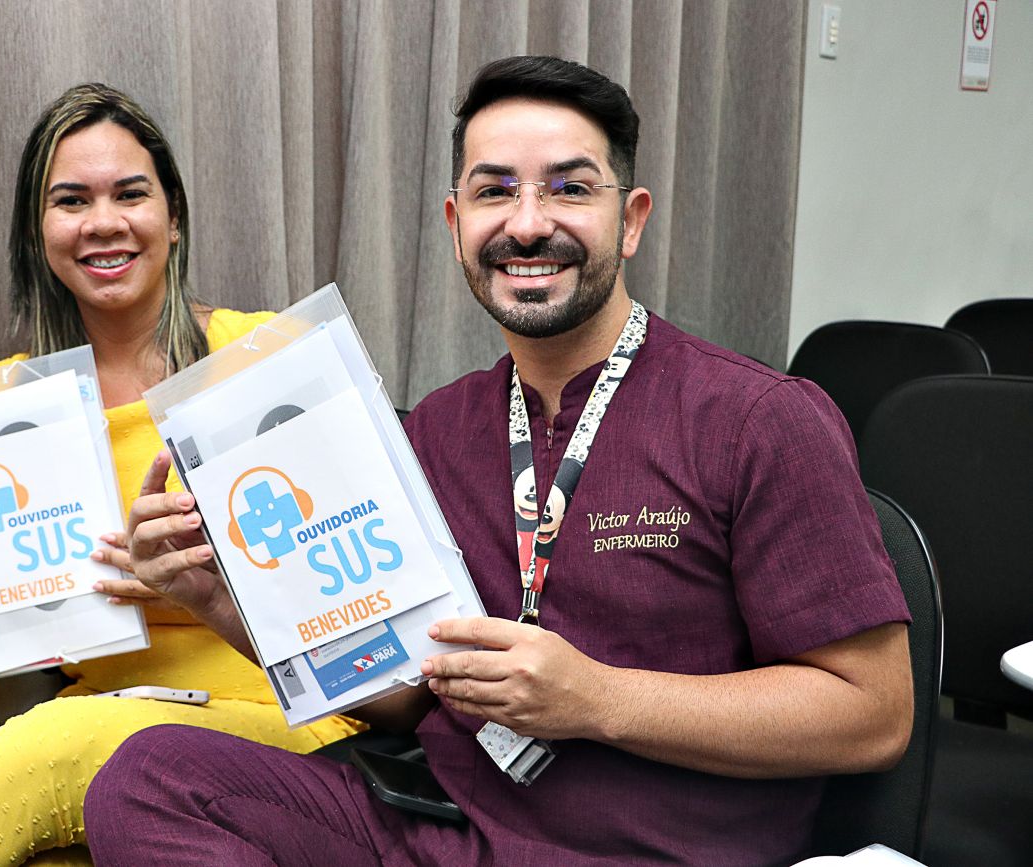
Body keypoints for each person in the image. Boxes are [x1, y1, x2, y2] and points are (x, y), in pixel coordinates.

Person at [81, 56, 916, 865]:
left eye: (570, 188)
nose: (527, 223)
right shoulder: (439, 428)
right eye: (495, 191)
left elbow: (873, 715)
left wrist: (599, 699)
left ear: (630, 221)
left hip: (649, 848)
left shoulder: (758, 419)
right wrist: (215, 599)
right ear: (456, 226)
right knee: (149, 779)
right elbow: (405, 698)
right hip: (444, 828)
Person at [0, 83, 360, 867]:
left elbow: (366, 588)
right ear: (38, 231)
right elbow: (23, 629)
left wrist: (200, 581)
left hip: (283, 722)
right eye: (71, 200)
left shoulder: (267, 358)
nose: (103, 221)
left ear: (173, 217)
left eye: (130, 194)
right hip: (100, 718)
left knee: (43, 751)